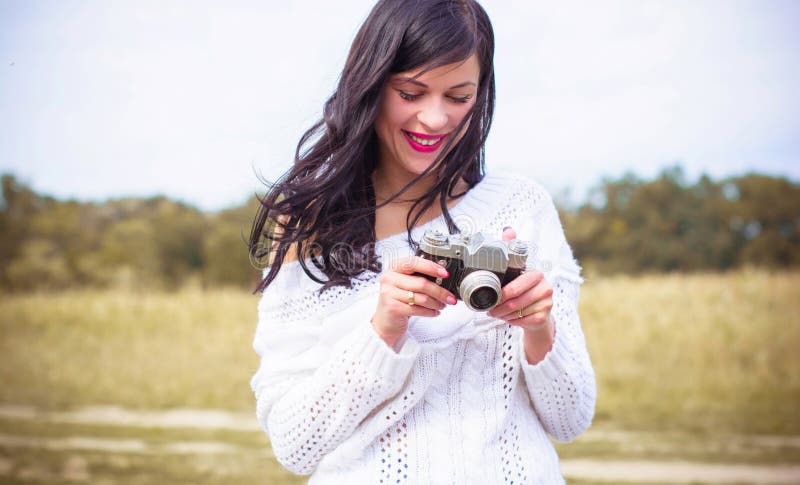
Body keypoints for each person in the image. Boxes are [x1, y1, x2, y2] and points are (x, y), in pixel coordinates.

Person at [248, 1, 596, 483]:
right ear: (369, 83)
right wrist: (385, 328)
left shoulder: (522, 207)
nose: (434, 119)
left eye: (458, 97)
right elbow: (294, 443)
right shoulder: (309, 227)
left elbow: (571, 419)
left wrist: (539, 328)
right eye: (411, 92)